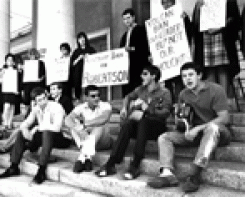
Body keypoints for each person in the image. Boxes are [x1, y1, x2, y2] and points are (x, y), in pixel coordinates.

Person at [147, 62, 231, 193]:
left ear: (200, 75)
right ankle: (167, 174)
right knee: (164, 137)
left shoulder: (216, 90)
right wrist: (181, 122)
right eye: (184, 76)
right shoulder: (183, 94)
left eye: (191, 75)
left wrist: (198, 128)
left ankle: (195, 173)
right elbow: (183, 121)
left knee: (212, 128)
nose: (188, 79)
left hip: (219, 133)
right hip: (196, 133)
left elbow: (224, 118)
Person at [96, 65, 172, 180]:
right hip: (142, 127)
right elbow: (127, 97)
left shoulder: (164, 92)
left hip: (157, 127)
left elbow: (166, 113)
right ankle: (111, 163)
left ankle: (135, 164)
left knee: (143, 120)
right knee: (128, 124)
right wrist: (124, 108)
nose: (142, 76)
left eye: (145, 74)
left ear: (153, 76)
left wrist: (147, 110)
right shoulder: (140, 89)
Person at [0, 87, 72, 184]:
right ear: (35, 102)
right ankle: (13, 167)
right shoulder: (36, 109)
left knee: (46, 132)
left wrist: (36, 129)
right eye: (40, 100)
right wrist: (24, 129)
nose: (43, 102)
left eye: (44, 98)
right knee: (21, 133)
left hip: (62, 137)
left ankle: (41, 170)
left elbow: (56, 128)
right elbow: (26, 122)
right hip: (45, 136)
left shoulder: (57, 107)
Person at [192, 0, 241, 99]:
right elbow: (195, 25)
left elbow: (235, 20)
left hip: (222, 39)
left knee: (223, 70)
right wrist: (198, 9)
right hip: (205, 40)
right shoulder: (201, 2)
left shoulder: (229, 1)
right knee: (208, 70)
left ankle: (223, 102)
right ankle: (213, 103)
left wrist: (221, 27)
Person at [65, 85, 113, 173]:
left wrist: (85, 125)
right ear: (86, 97)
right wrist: (79, 129)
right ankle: (88, 159)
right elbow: (68, 119)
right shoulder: (81, 107)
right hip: (89, 139)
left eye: (98, 95)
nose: (96, 98)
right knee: (74, 127)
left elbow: (104, 118)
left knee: (99, 126)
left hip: (103, 140)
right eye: (93, 96)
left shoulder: (105, 105)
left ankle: (81, 158)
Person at [161, 0, 192, 103]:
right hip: (166, 57)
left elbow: (190, 32)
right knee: (168, 83)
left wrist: (185, 19)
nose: (166, 5)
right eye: (164, 3)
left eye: (168, 2)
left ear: (173, 3)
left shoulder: (181, 16)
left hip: (179, 56)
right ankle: (169, 105)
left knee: (179, 81)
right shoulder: (159, 21)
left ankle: (180, 105)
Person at [120, 8, 150, 97]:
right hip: (127, 68)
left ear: (133, 17)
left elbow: (144, 47)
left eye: (128, 18)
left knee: (138, 88)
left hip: (138, 65)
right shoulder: (124, 36)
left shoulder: (141, 30)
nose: (126, 21)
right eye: (124, 19)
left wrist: (132, 49)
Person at [70, 32, 96, 100]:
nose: (82, 40)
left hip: (89, 72)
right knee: (78, 87)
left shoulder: (91, 49)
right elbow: (72, 64)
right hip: (78, 73)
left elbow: (96, 59)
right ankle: (78, 99)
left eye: (83, 38)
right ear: (78, 41)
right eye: (80, 39)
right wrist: (79, 58)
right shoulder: (76, 51)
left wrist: (89, 56)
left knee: (90, 87)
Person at [0, 53, 22, 130]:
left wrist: (18, 90)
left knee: (12, 107)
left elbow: (19, 82)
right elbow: (0, 82)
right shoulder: (3, 70)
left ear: (14, 61)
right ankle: (5, 123)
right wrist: (1, 75)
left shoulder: (17, 71)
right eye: (8, 60)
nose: (10, 61)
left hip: (14, 91)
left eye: (11, 60)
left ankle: (9, 123)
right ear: (5, 61)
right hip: (6, 91)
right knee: (6, 107)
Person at [22, 48, 46, 114]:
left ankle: (36, 115)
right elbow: (23, 76)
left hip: (37, 84)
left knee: (36, 100)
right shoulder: (26, 64)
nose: (32, 56)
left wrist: (40, 79)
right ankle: (28, 115)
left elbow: (43, 74)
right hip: (28, 85)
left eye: (34, 54)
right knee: (27, 101)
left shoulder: (41, 63)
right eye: (31, 55)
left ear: (36, 55)